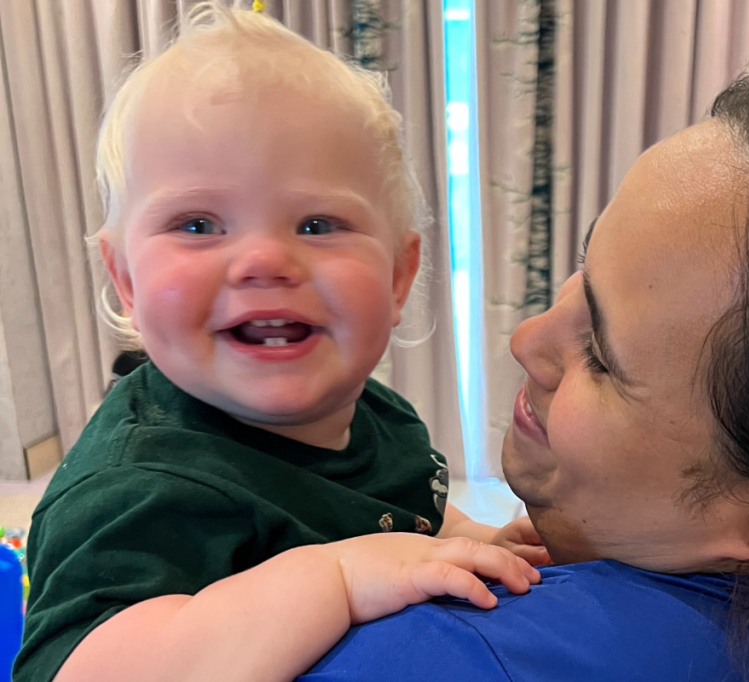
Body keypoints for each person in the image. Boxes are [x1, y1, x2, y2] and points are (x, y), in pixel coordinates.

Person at [296, 75, 749, 681]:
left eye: (603, 359)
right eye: (586, 267)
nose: (526, 341)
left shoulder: (446, 657)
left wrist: (318, 584)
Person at [14, 5, 547, 682]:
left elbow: (403, 518)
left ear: (396, 275)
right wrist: (334, 580)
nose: (263, 259)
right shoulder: (142, 488)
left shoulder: (379, 416)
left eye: (318, 223)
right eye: (199, 224)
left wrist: (475, 542)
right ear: (125, 278)